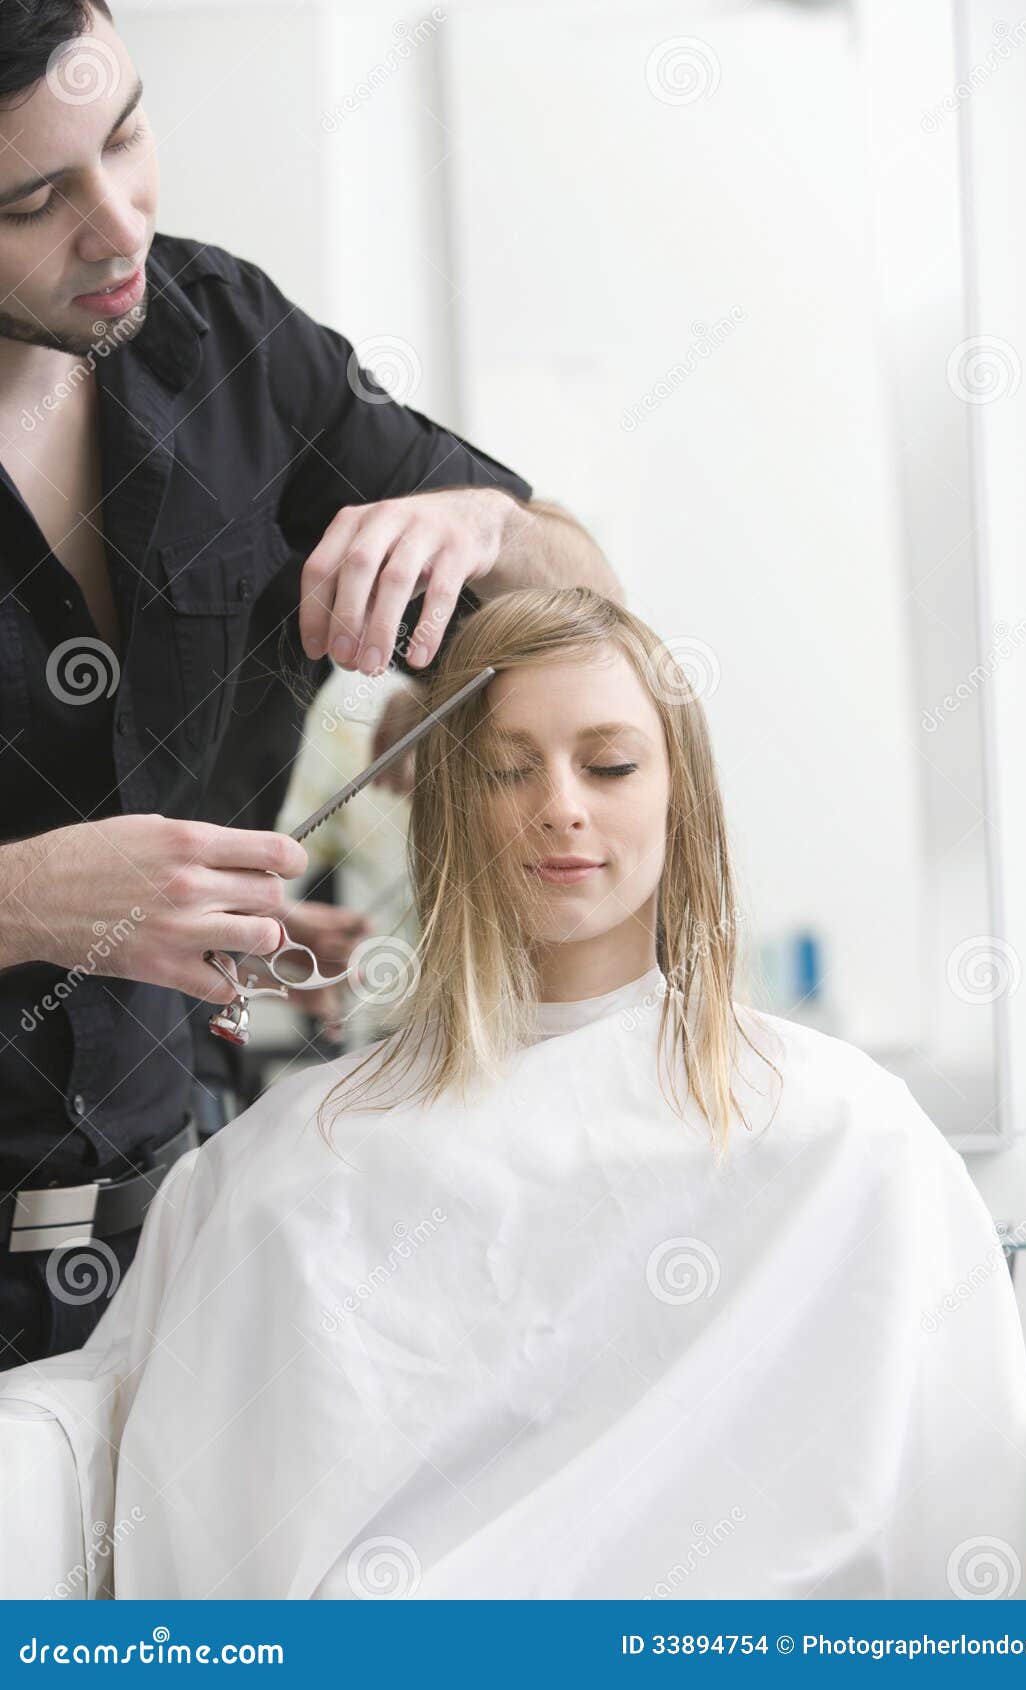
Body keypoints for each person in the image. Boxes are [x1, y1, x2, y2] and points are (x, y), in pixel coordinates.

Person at [0, 588, 1026, 1600]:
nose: (561, 807)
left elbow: (955, 1514)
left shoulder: (841, 1131)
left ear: (683, 792)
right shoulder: (291, 1159)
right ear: (450, 802)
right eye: (506, 769)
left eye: (610, 764)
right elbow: (193, 1533)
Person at [0, 0, 617, 1367]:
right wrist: (31, 898)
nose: (120, 228)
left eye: (129, 136)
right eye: (37, 200)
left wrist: (480, 524)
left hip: (181, 1242)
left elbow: (585, 604)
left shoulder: (225, 340)